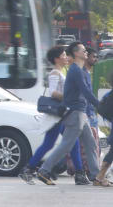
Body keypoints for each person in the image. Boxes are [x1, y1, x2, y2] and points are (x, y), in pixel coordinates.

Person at [35, 42, 102, 186]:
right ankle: (44, 170)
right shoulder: (75, 70)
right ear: (76, 53)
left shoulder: (80, 69)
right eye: (83, 50)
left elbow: (85, 91)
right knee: (66, 145)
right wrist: (100, 106)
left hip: (81, 112)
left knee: (90, 143)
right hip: (75, 113)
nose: (86, 52)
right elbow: (85, 91)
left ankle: (96, 176)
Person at [19, 46, 84, 183]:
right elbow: (53, 92)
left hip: (62, 116)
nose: (66, 57)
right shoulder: (54, 73)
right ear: (56, 59)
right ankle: (29, 169)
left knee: (72, 143)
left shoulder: (61, 72)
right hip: (56, 117)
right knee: (51, 144)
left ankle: (79, 174)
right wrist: (69, 97)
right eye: (64, 55)